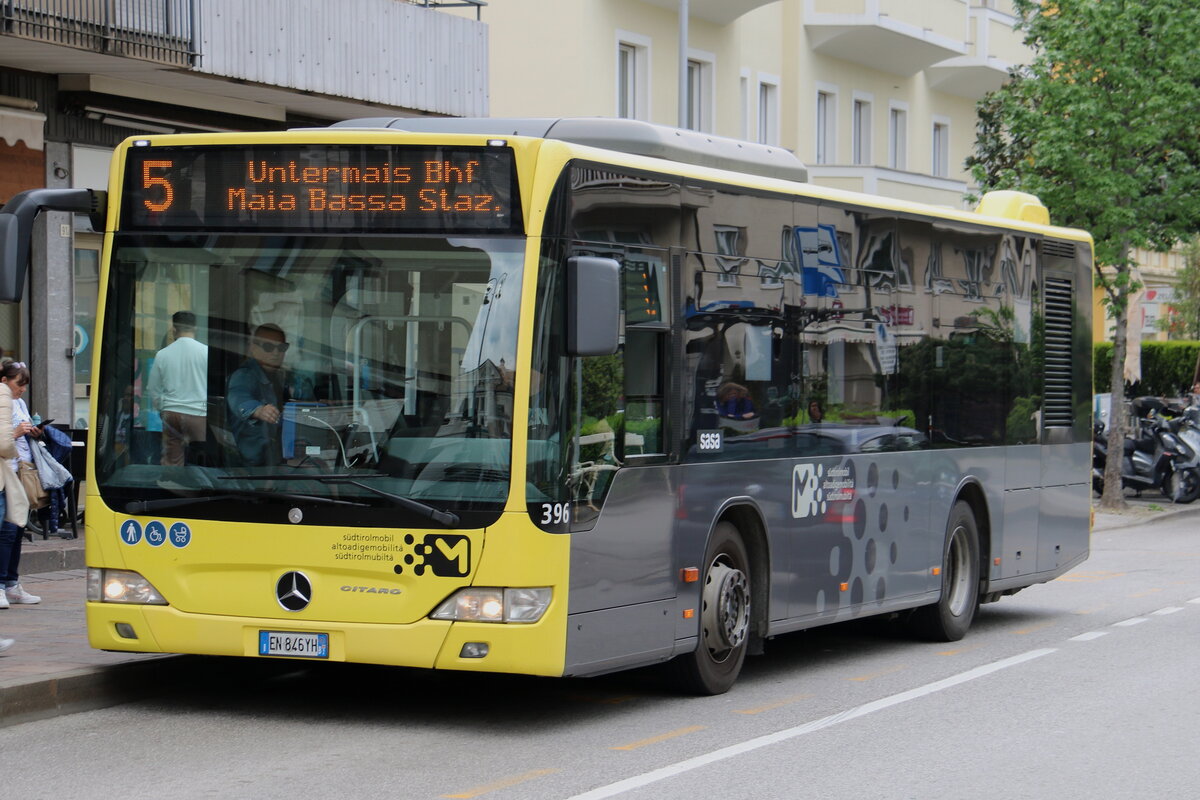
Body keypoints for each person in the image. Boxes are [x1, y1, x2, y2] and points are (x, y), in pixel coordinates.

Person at [227, 324, 315, 466]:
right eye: (268, 347)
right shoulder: (244, 376)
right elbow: (238, 398)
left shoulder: (283, 377)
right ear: (253, 348)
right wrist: (258, 410)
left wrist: (324, 406)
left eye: (281, 348)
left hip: (279, 461)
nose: (276, 353)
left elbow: (303, 397)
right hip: (251, 467)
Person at [145, 311, 208, 466]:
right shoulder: (206, 352)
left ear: (174, 330)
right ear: (196, 329)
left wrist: (162, 408)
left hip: (172, 414)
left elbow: (153, 388)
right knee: (200, 458)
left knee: (172, 460)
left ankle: (173, 486)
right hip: (199, 413)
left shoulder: (162, 354)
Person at [0, 361, 36, 609]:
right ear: (5, 381)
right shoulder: (3, 402)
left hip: (21, 472)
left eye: (24, 385)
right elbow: (4, 439)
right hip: (5, 473)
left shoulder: (18, 403)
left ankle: (11, 583)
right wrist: (15, 432)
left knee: (17, 529)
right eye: (18, 384)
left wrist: (33, 430)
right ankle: (3, 585)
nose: (21, 389)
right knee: (7, 531)